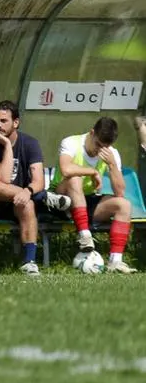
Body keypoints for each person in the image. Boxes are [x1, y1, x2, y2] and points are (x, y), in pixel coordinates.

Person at [0, 100, 69, 276]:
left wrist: (28, 191)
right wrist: (8, 145)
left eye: (3, 121)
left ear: (16, 123)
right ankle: (44, 198)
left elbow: (38, 180)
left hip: (19, 200)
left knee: (28, 204)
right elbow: (2, 178)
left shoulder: (30, 143)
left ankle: (29, 262)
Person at [49, 117, 137, 273]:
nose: (100, 150)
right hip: (61, 199)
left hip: (85, 200)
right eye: (98, 144)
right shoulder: (71, 142)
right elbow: (66, 170)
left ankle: (115, 262)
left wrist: (112, 165)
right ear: (92, 133)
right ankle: (85, 237)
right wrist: (93, 172)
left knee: (124, 205)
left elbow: (120, 192)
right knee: (75, 179)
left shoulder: (112, 154)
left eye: (106, 146)